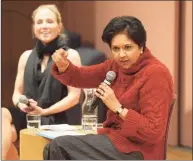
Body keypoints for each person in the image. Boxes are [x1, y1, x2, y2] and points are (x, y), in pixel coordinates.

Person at [43, 15, 175, 160]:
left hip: (139, 151)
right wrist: (64, 67)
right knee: (52, 147)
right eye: (116, 49)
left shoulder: (155, 73)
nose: (121, 55)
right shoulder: (114, 66)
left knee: (60, 147)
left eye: (128, 48)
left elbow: (153, 131)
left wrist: (119, 109)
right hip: (114, 141)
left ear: (141, 47)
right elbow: (82, 76)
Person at [2, 4, 82, 160]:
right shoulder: (25, 56)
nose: (44, 26)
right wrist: (22, 104)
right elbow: (16, 93)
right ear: (33, 28)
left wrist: (44, 111)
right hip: (30, 117)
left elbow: (74, 97)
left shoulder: (70, 55)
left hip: (58, 118)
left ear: (59, 27)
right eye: (39, 22)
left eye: (49, 21)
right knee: (2, 115)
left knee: (9, 133)